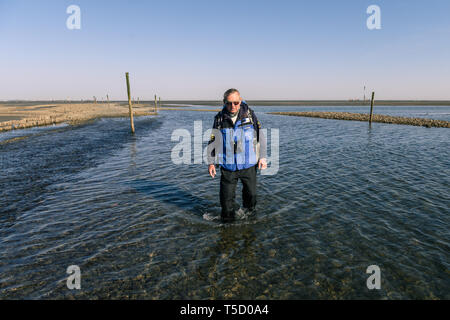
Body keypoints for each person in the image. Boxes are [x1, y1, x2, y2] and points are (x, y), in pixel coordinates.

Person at [207, 89, 267, 222]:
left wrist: (262, 157)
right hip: (228, 168)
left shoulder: (250, 115)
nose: (232, 106)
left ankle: (250, 223)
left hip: (249, 165)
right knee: (226, 203)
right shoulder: (219, 119)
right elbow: (212, 141)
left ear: (240, 101)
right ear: (224, 102)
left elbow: (260, 136)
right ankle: (228, 232)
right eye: (229, 103)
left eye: (236, 102)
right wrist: (211, 162)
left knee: (251, 197)